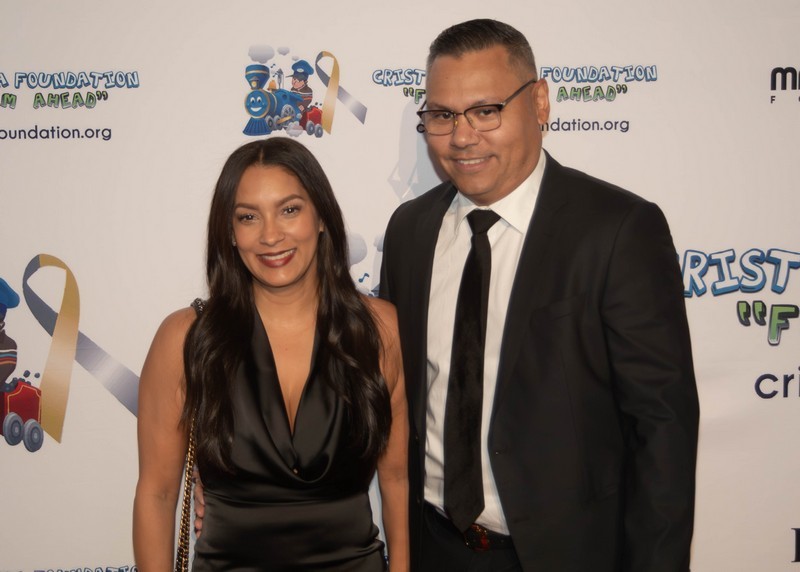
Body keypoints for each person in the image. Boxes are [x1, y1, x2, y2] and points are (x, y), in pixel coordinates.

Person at [379, 19, 699, 572]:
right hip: (434, 547)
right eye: (442, 115)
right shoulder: (410, 230)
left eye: (486, 110)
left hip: (567, 555)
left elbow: (662, 428)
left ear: (541, 102)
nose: (462, 137)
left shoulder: (618, 230)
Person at [133, 137, 409, 571]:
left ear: (321, 216)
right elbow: (157, 493)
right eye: (248, 217)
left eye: (289, 210)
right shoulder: (185, 338)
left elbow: (396, 480)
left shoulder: (380, 329)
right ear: (229, 232)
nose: (270, 236)